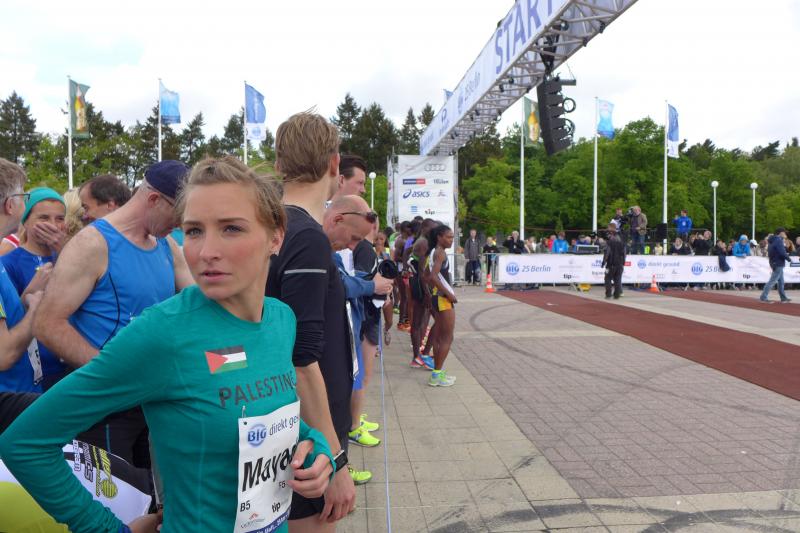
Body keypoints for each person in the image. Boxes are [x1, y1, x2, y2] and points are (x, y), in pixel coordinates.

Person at [0, 156, 335, 533]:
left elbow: (271, 414)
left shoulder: (281, 320)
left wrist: (317, 447)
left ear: (275, 236)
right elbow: (25, 443)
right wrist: (108, 529)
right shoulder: (164, 333)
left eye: (231, 228)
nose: (206, 251)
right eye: (194, 231)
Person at [32, 160, 193, 467]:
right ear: (154, 199)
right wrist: (113, 373)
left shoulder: (166, 244)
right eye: (179, 214)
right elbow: (47, 324)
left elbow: (197, 300)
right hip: (106, 405)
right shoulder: (92, 243)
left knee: (153, 491)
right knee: (113, 494)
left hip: (152, 400)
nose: (181, 224)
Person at [265, 112, 357, 529]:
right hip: (305, 434)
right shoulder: (305, 236)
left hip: (284, 422)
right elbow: (301, 359)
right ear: (334, 164)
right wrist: (335, 460)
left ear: (278, 164)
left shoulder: (275, 228)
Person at [1, 188, 67, 389]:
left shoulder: (69, 257)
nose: (52, 225)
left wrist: (63, 250)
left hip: (67, 362)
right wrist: (28, 294)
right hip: (31, 370)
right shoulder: (9, 262)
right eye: (43, 218)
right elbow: (10, 321)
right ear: (26, 221)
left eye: (59, 218)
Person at [0, 159, 45, 394]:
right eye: (24, 197)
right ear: (10, 205)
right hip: (9, 399)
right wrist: (36, 309)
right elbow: (4, 355)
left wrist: (27, 297)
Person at [426, 224, 457, 387]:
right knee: (447, 338)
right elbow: (432, 276)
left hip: (436, 297)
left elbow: (427, 275)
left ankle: (437, 372)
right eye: (449, 237)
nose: (451, 240)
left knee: (439, 337)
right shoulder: (440, 253)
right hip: (442, 299)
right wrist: (448, 294)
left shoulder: (434, 251)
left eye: (452, 237)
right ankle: (436, 374)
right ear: (439, 237)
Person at [760, 228, 793, 303]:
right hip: (778, 263)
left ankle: (783, 298)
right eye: (784, 232)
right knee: (772, 281)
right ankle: (763, 297)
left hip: (775, 262)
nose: (786, 234)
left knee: (781, 282)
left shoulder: (773, 240)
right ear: (780, 233)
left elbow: (775, 252)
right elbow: (782, 252)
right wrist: (789, 259)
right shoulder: (778, 240)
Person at [602, 222, 625, 299]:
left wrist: (604, 261)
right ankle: (617, 295)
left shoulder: (609, 242)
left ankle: (608, 294)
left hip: (611, 263)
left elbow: (607, 252)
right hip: (619, 264)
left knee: (607, 278)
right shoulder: (621, 240)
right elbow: (624, 253)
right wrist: (623, 262)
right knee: (617, 279)